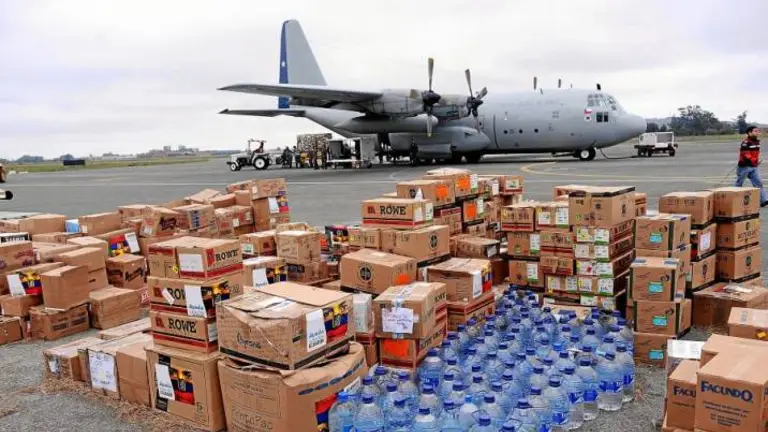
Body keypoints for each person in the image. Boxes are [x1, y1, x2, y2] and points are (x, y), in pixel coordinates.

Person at [735, 125, 768, 207]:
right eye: (755, 131)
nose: (757, 132)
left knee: (758, 183)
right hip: (744, 167)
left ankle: (764, 200)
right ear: (749, 133)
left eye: (757, 131)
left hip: (754, 166)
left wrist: (756, 161)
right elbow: (745, 154)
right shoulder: (745, 143)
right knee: (739, 183)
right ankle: (734, 201)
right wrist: (754, 160)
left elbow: (756, 153)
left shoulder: (757, 142)